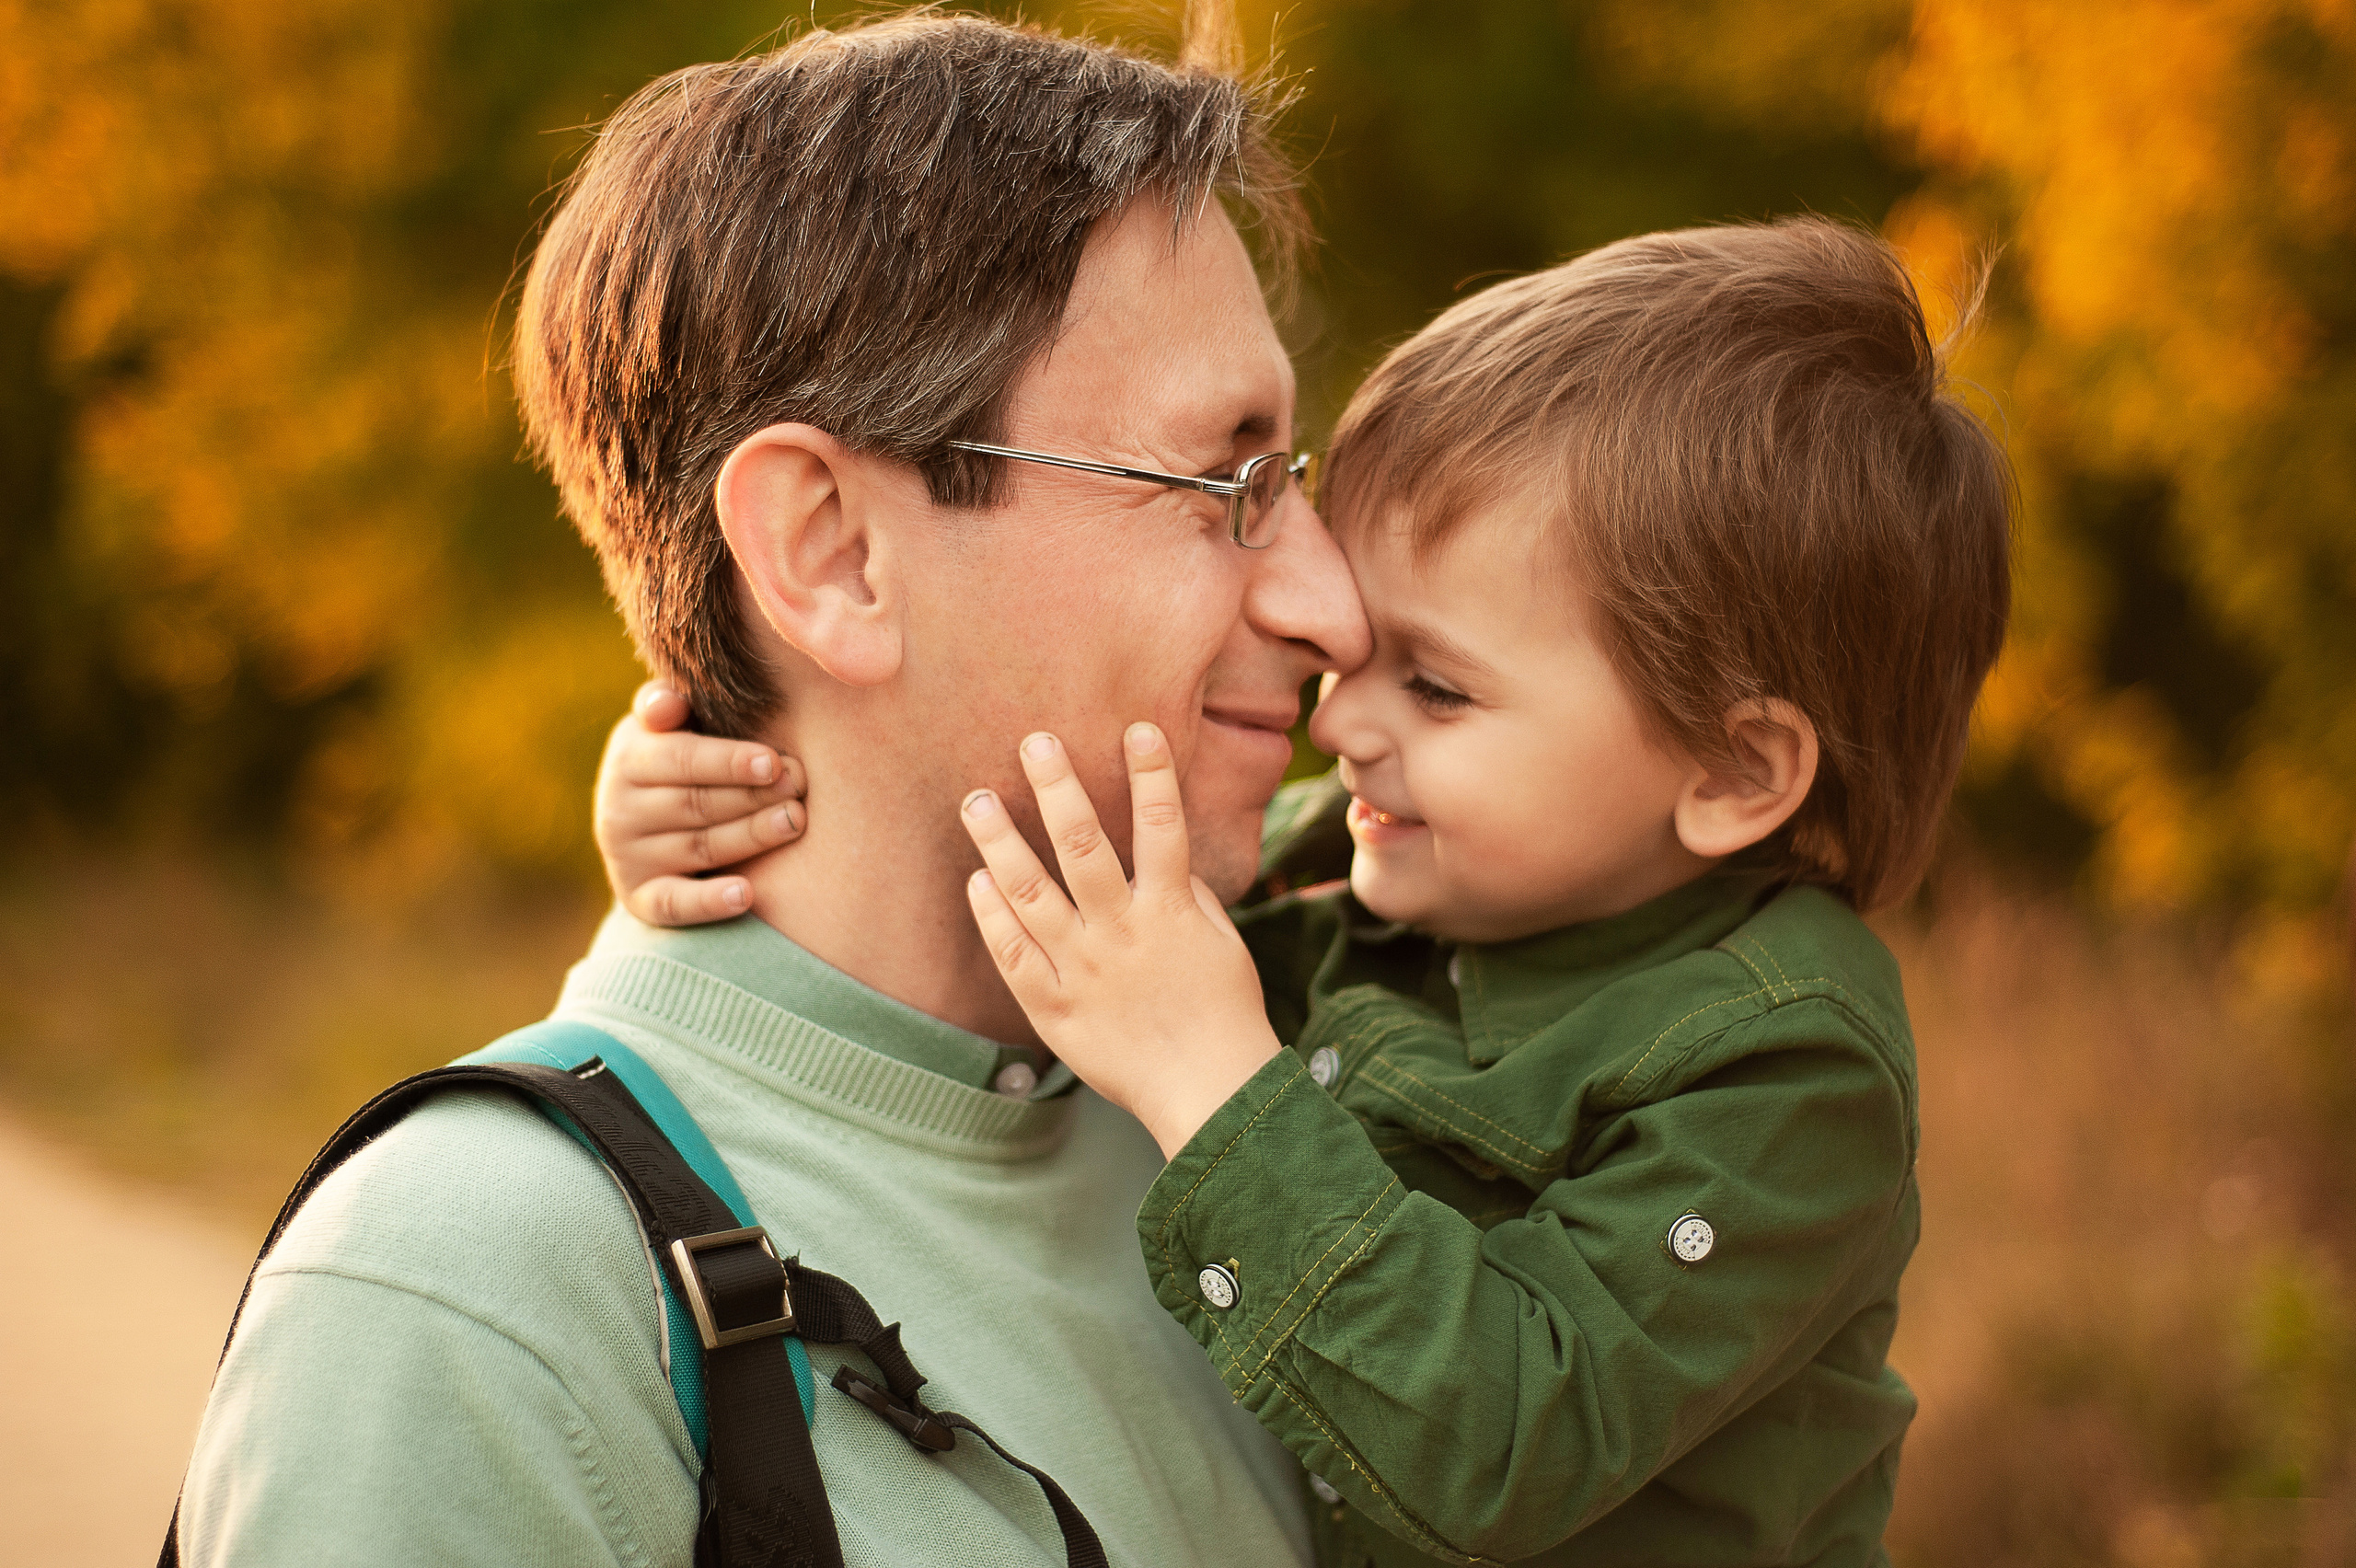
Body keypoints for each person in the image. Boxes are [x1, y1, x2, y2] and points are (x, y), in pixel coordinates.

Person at [606, 218, 2014, 1564]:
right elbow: (1014, 880)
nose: (1337, 719)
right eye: (1362, 653)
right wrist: (721, 801)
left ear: (1734, 769)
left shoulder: (1787, 1069)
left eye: (1438, 688)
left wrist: (1214, 1079)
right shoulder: (1353, 858)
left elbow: (1501, 1445)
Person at [171, 12, 1371, 1567]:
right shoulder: (470, 1299)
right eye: (1227, 483)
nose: (1335, 610)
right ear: (831, 553)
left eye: (1295, 478)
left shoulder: (1276, 1117)